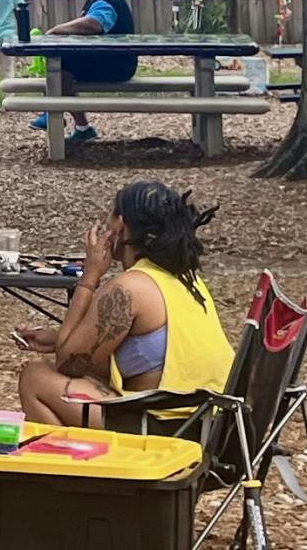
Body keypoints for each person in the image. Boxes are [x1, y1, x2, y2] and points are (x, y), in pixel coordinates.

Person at [16, 181, 234, 425]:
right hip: (209, 421)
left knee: (35, 377)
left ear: (120, 225)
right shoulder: (186, 279)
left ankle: (64, 451)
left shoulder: (129, 287)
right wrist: (57, 339)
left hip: (164, 426)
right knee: (85, 376)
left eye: (110, 215)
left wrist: (90, 276)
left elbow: (68, 363)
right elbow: (141, 355)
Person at [30, 0, 137, 149]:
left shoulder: (107, 1)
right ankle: (79, 125)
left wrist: (56, 30)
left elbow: (94, 24)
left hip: (118, 65)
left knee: (62, 69)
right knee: (61, 67)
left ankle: (54, 112)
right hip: (110, 59)